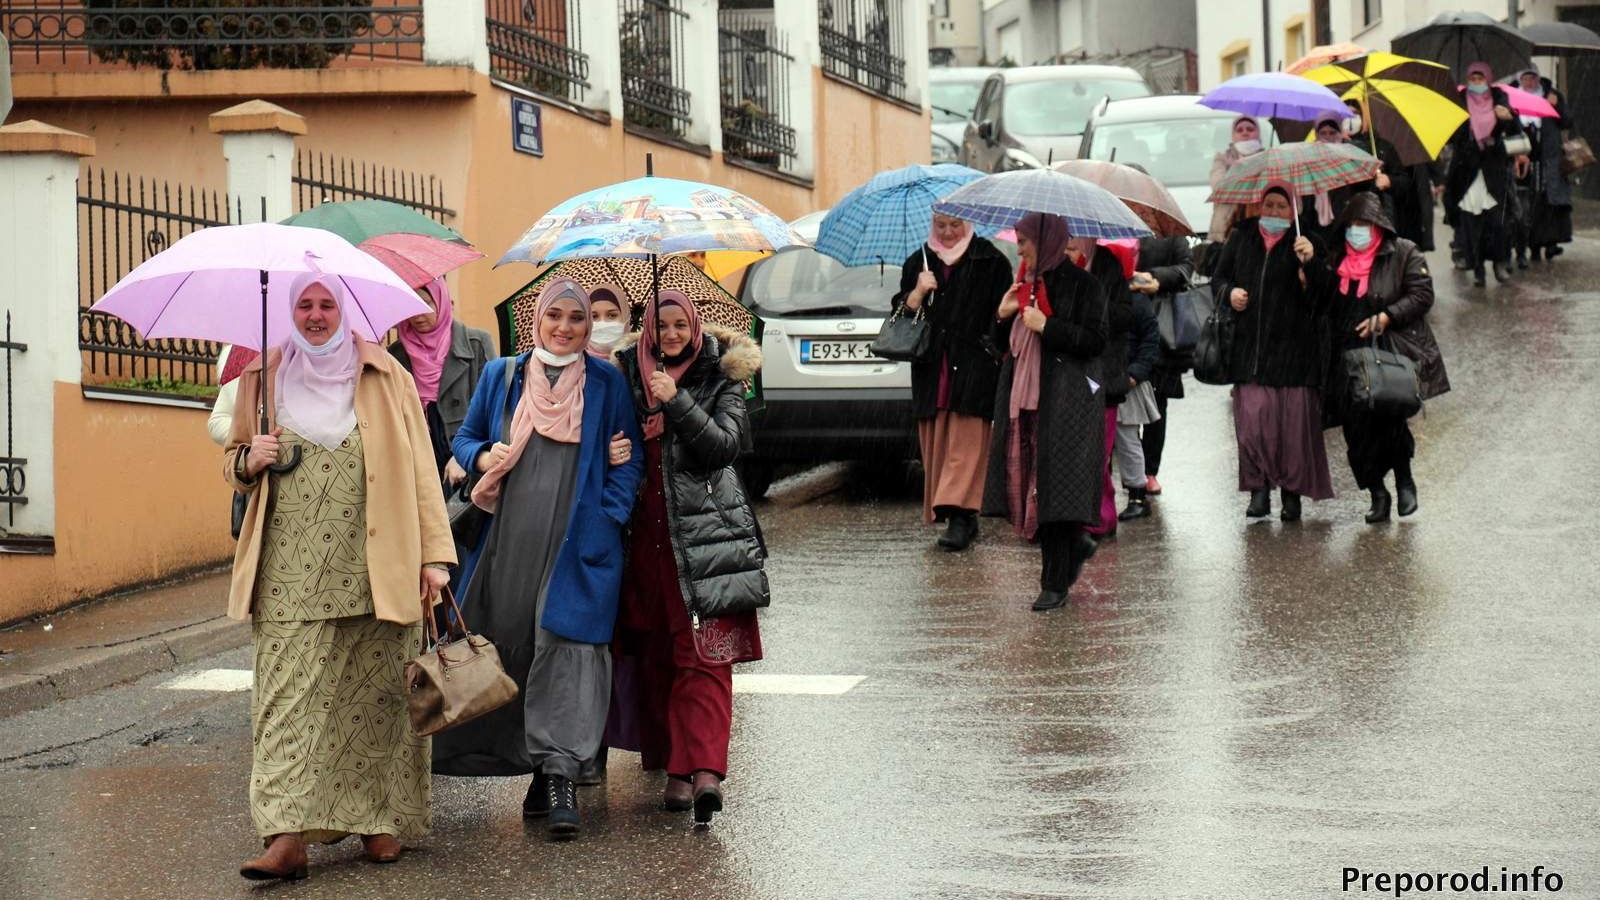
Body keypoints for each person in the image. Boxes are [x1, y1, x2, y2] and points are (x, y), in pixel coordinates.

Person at [223, 273, 455, 881]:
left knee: (376, 694)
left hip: (379, 561)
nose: (317, 315)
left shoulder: (388, 376)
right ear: (290, 312)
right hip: (289, 570)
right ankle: (286, 834)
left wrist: (434, 555)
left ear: (346, 310)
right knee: (286, 701)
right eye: (305, 304)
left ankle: (380, 821)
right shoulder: (261, 378)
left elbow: (423, 469)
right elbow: (234, 458)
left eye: (327, 304)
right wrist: (251, 459)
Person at [431, 278, 644, 839]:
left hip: (578, 544)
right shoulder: (503, 376)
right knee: (516, 650)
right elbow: (464, 438)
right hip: (509, 541)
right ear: (538, 319)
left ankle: (560, 774)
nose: (566, 327)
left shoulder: (605, 381)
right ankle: (533, 767)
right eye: (556, 316)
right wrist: (482, 456)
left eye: (578, 318)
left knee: (567, 649)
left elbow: (628, 460)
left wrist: (608, 518)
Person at [610, 290, 768, 825]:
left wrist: (676, 400)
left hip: (703, 540)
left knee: (705, 655)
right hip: (643, 540)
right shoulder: (625, 373)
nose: (671, 335)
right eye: (661, 325)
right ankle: (676, 770)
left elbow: (725, 445)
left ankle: (705, 772)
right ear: (647, 328)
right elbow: (608, 436)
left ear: (695, 326)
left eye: (680, 324)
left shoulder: (720, 373)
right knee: (657, 656)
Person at [982, 212, 1108, 613]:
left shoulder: (1084, 285)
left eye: (1024, 241)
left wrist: (1047, 325)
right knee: (1036, 492)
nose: (1018, 249)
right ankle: (1074, 545)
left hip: (1068, 402)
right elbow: (1000, 347)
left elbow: (1095, 340)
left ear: (1046, 239)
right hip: (1024, 403)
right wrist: (1002, 317)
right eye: (1017, 241)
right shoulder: (1022, 285)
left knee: (1055, 491)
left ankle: (1054, 583)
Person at [1308, 192, 1450, 523]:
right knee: (1357, 433)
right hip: (1344, 358)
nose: (1356, 231)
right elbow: (1321, 302)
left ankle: (1404, 481)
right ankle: (1377, 493)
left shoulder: (1402, 252)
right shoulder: (1336, 258)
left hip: (1385, 352)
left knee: (1389, 422)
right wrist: (1311, 267)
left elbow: (1422, 294)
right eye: (1351, 225)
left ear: (1378, 227)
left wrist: (1387, 316)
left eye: (1364, 225)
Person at [1210, 182, 1333, 521]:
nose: (1275, 213)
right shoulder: (1242, 237)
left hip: (1295, 355)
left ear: (1294, 210)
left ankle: (1291, 497)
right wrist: (1230, 293)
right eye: (1270, 206)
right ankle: (1259, 492)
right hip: (1251, 353)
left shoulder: (1307, 242)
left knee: (1292, 430)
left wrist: (1311, 267)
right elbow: (1217, 279)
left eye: (1282, 207)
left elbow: (1324, 301)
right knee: (1253, 424)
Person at [890, 212, 1012, 550]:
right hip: (932, 369)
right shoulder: (919, 261)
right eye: (940, 225)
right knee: (939, 446)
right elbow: (899, 315)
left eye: (955, 225)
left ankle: (960, 517)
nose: (947, 232)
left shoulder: (991, 261)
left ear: (968, 224)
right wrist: (916, 293)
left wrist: (993, 337)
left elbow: (1003, 319)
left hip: (973, 370)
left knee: (966, 445)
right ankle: (963, 516)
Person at [388, 277, 494, 487]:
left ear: (442, 300)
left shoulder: (477, 343)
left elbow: (494, 410)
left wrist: (468, 455)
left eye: (426, 302)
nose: (417, 313)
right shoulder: (395, 355)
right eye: (410, 303)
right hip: (419, 467)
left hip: (467, 467)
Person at [1444, 62, 1526, 287]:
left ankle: (1499, 262)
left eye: (1481, 79)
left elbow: (1515, 133)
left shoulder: (1500, 99)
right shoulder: (1459, 102)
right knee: (1472, 224)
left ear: (1488, 80)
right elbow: (1451, 137)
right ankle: (1478, 267)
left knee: (1498, 222)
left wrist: (1508, 118)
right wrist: (1461, 126)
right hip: (1467, 173)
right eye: (1473, 79)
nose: (1477, 83)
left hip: (1494, 171)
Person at [1077, 236, 1136, 539]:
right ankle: (1082, 516)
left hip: (1104, 372)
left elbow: (1126, 315)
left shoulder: (1108, 264)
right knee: (1077, 453)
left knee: (1098, 452)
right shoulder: (1055, 265)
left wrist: (1092, 307)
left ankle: (1101, 518)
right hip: (1071, 375)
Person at [1130, 234, 1194, 497]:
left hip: (1163, 330)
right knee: (1122, 405)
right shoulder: (1122, 230)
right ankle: (1129, 468)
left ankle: (1149, 470)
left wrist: (1153, 278)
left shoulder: (1171, 234)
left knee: (1157, 407)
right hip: (1126, 324)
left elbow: (1185, 268)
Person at [1106, 242, 1161, 522]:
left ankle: (1137, 495)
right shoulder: (1102, 295)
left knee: (1127, 440)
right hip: (1106, 378)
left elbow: (1151, 341)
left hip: (1127, 381)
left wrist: (1134, 374)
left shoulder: (1137, 301)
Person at [1340, 99, 1438, 252]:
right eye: (1345, 114)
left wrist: (1389, 181)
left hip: (1380, 221)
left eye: (1356, 113)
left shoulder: (1381, 147)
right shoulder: (1333, 149)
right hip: (1347, 223)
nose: (1351, 119)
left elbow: (1405, 182)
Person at [1514, 67, 1573, 265]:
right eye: (1525, 78)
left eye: (1532, 78)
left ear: (1538, 79)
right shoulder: (1513, 98)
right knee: (1527, 204)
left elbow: (1567, 122)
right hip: (1523, 159)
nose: (1529, 82)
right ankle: (1530, 246)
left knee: (1550, 202)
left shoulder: (1552, 95)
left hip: (1549, 158)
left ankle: (1550, 243)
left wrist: (1555, 107)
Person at [1209, 116, 1265, 242]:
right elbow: (1219, 185)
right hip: (1225, 230)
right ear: (1233, 135)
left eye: (1250, 129)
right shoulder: (1222, 159)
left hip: (1259, 227)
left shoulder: (1269, 158)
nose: (1245, 132)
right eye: (1239, 130)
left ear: (1258, 133)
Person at [587, 282, 631, 358]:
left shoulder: (640, 362)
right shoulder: (571, 364)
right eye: (594, 316)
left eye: (612, 315)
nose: (603, 323)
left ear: (625, 317)